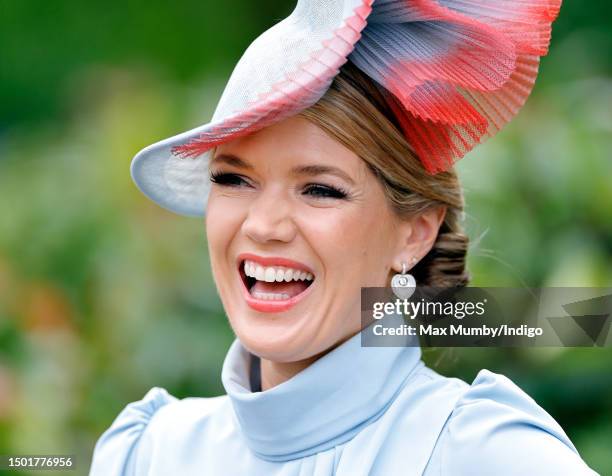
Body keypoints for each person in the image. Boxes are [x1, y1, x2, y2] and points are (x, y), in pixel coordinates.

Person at [90, 1, 599, 474]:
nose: (264, 226)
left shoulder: (486, 455)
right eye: (233, 179)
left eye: (319, 189)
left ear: (416, 233)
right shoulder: (149, 453)